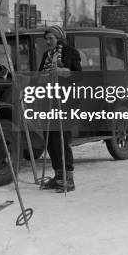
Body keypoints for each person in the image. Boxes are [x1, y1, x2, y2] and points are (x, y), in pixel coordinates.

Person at [38, 26, 81, 192]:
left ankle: (69, 179)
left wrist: (62, 71)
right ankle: (58, 176)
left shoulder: (71, 52)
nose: (48, 42)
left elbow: (79, 75)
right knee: (50, 140)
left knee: (62, 140)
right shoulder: (46, 55)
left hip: (65, 102)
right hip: (48, 101)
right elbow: (40, 75)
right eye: (46, 39)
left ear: (59, 38)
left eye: (51, 38)